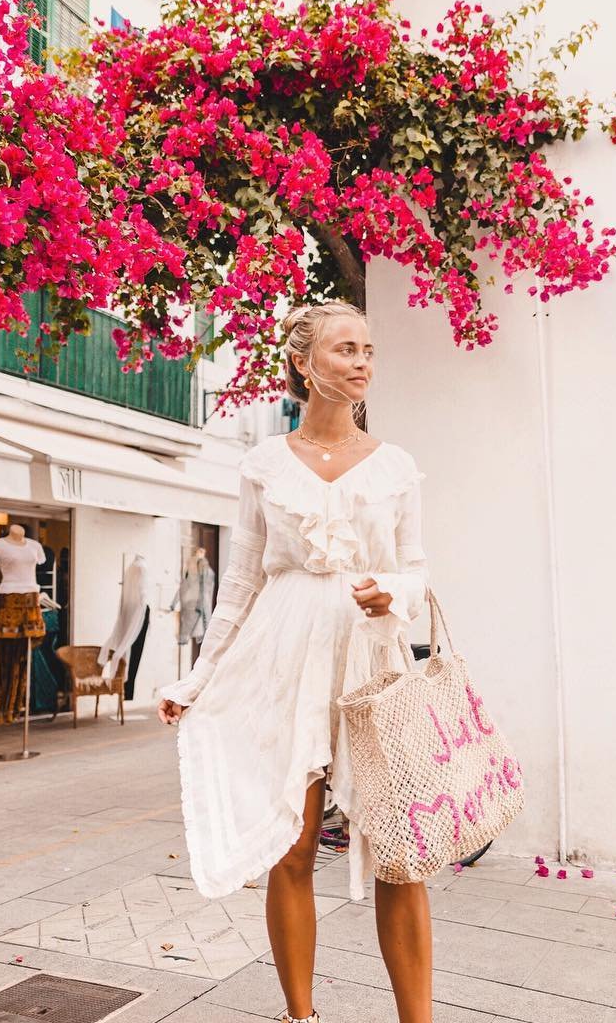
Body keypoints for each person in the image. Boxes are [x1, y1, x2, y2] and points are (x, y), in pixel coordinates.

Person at [157, 299, 433, 1023]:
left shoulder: (397, 466)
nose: (363, 361)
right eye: (346, 349)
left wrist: (393, 595)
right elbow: (241, 584)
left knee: (398, 852)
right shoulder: (262, 466)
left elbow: (418, 568)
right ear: (303, 364)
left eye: (368, 349)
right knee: (293, 845)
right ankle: (300, 1015)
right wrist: (197, 679)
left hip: (372, 658)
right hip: (280, 658)